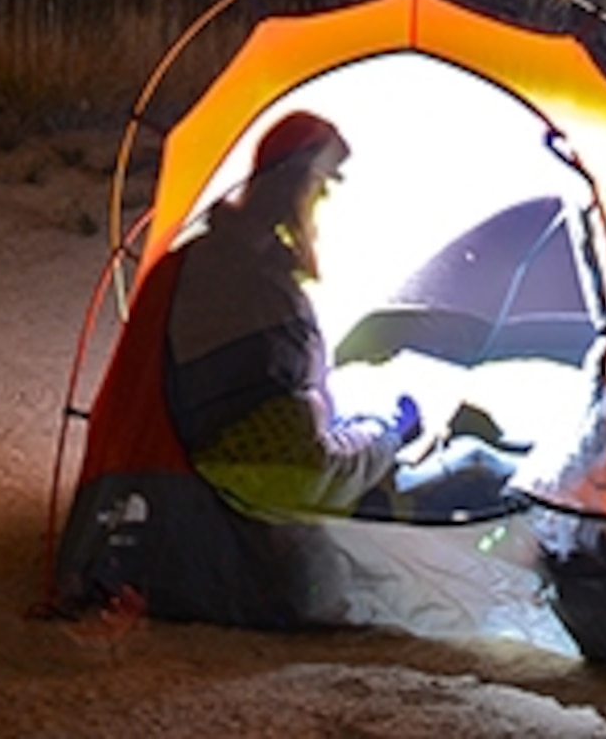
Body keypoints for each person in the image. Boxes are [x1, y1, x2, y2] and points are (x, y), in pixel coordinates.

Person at [163, 110, 420, 518]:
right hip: (255, 484)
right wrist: (390, 430)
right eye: (323, 186)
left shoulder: (213, 256)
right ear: (298, 186)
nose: (327, 200)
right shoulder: (258, 281)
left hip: (212, 461)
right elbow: (308, 469)